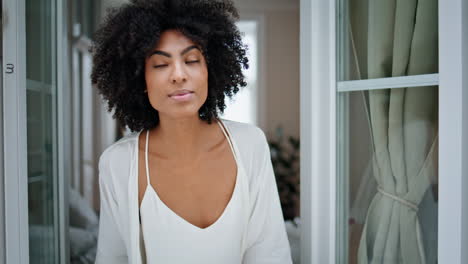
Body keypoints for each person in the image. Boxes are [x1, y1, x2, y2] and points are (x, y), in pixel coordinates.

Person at [91, 0, 292, 263]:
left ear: (210, 69)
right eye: (161, 65)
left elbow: (270, 252)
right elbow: (112, 258)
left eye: (192, 60)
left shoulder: (250, 145)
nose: (178, 74)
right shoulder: (118, 163)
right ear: (140, 80)